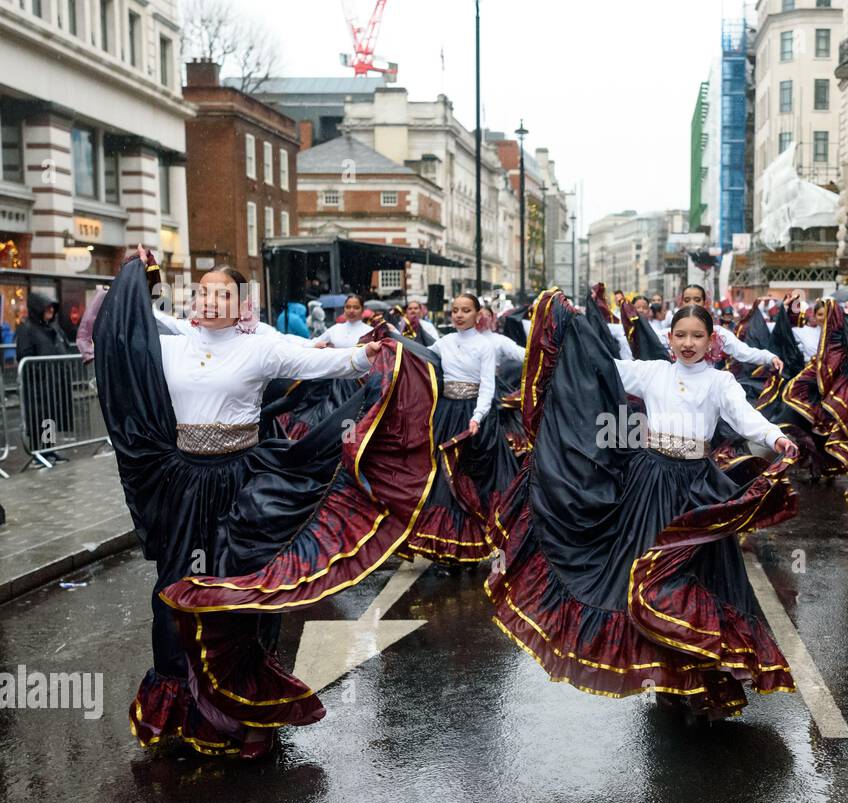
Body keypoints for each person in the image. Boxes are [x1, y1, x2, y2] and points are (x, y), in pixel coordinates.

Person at [96, 252, 438, 759]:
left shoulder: (261, 347)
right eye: (204, 290)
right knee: (174, 591)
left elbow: (328, 362)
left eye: (223, 293)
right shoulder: (171, 343)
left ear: (240, 305)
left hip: (243, 482)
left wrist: (376, 352)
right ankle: (186, 706)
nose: (211, 299)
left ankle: (242, 712)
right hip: (185, 486)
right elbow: (122, 327)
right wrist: (136, 274)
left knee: (242, 594)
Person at [486, 293, 800, 721]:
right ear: (669, 338)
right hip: (649, 483)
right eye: (681, 335)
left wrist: (776, 438)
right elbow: (598, 369)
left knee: (692, 580)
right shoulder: (651, 372)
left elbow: (747, 419)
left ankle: (695, 677)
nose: (688, 343)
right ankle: (663, 674)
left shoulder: (721, 382)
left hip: (695, 491)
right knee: (641, 580)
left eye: (698, 336)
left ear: (713, 341)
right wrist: (569, 326)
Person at [405, 293, 517, 570]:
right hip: (447, 413)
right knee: (443, 478)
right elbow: (419, 358)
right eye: (455, 310)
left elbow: (487, 386)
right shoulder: (444, 342)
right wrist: (390, 341)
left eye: (465, 310)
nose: (458, 315)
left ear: (478, 314)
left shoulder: (485, 346)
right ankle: (451, 549)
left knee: (472, 479)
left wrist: (478, 416)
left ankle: (478, 543)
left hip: (474, 418)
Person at [16, 291, 74, 464]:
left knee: (50, 417)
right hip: (38, 385)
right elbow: (24, 355)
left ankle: (49, 450)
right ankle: (38, 453)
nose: (50, 311)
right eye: (47, 308)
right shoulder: (27, 330)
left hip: (53, 384)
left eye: (51, 308)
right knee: (38, 418)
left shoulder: (52, 328)